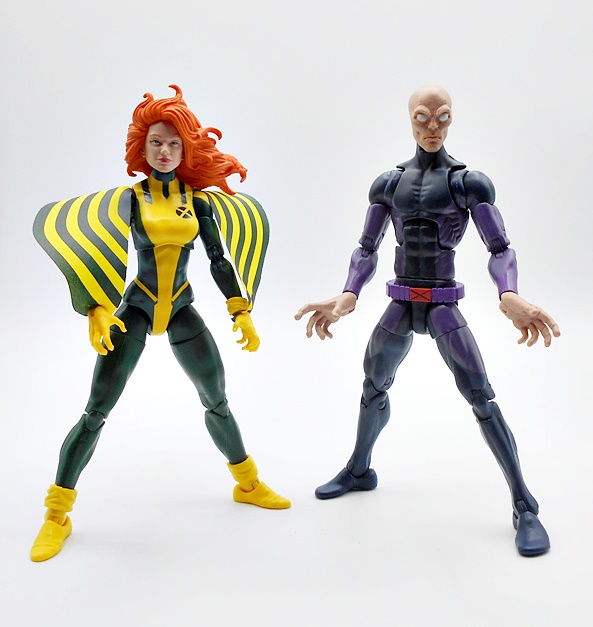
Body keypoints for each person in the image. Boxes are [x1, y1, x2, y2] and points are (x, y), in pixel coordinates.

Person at [295, 85, 559, 557]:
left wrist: (509, 292)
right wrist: (349, 292)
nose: (432, 126)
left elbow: (500, 247)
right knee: (372, 384)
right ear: (410, 120)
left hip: (441, 304)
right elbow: (367, 247)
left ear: (452, 119)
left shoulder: (467, 183)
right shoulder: (388, 184)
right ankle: (359, 469)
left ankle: (524, 505)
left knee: (480, 395)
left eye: (442, 117)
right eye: (423, 117)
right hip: (401, 300)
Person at [31, 85, 290, 563]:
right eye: (156, 142)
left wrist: (240, 309)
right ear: (142, 147)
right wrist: (97, 308)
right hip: (137, 308)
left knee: (217, 400)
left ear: (186, 148)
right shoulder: (129, 200)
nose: (165, 151)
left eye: (173, 143)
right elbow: (100, 249)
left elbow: (218, 258)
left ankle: (247, 483)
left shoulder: (198, 201)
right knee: (96, 410)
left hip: (182, 309)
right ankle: (56, 515)